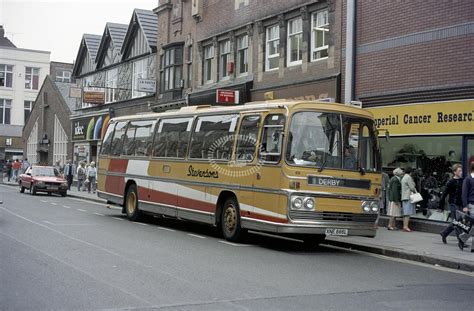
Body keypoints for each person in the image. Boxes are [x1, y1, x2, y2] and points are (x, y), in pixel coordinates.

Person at [439, 164, 463, 244]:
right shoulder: (450, 182)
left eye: (461, 170)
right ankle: (461, 240)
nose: (461, 172)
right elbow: (444, 194)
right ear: (454, 172)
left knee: (457, 222)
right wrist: (441, 206)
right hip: (453, 203)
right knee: (457, 222)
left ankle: (444, 233)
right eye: (459, 171)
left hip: (460, 203)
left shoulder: (462, 180)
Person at [458, 162, 474, 250]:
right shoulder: (468, 179)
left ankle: (462, 239)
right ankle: (462, 239)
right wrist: (465, 206)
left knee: (473, 227)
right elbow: (464, 194)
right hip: (471, 205)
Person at [401, 167, 417, 232]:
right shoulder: (408, 177)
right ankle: (406, 226)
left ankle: (404, 226)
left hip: (404, 196)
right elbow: (412, 187)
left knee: (405, 212)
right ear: (410, 172)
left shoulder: (404, 177)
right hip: (408, 196)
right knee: (407, 213)